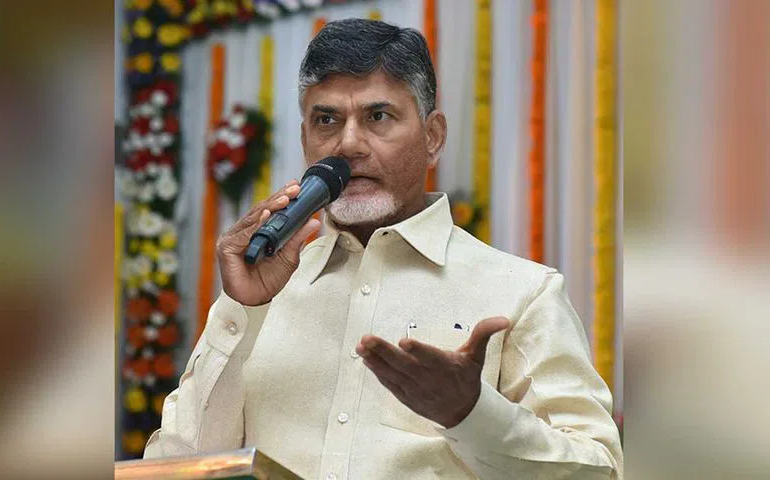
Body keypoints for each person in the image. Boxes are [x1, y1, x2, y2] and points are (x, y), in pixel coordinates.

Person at [144, 18, 623, 479]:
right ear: (305, 140)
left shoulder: (522, 292)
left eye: (378, 116)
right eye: (326, 120)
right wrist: (243, 312)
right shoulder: (263, 288)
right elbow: (176, 466)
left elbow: (598, 471)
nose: (349, 144)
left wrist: (471, 414)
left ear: (433, 137)